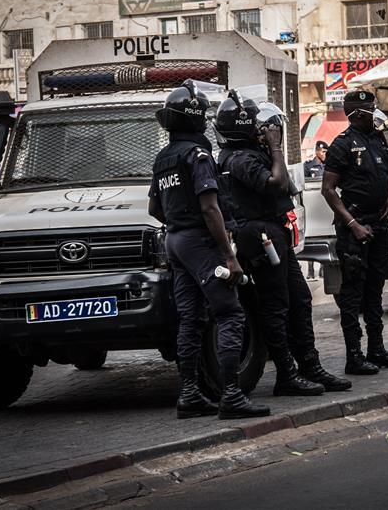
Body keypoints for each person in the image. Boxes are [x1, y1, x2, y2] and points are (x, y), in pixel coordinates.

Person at [148, 80, 269, 420]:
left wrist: (178, 221)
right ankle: (231, 394)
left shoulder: (164, 158)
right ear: (194, 119)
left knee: (190, 318)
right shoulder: (197, 155)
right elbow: (211, 208)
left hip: (175, 242)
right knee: (230, 313)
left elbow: (154, 209)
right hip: (200, 242)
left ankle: (189, 394)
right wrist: (228, 256)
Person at [216, 92, 351, 396]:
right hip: (259, 236)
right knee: (275, 306)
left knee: (300, 299)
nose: (268, 132)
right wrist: (274, 147)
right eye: (263, 128)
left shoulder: (251, 154)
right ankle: (286, 374)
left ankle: (309, 366)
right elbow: (275, 184)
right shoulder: (239, 159)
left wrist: (273, 150)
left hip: (274, 232)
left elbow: (288, 185)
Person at [321, 91, 388, 375]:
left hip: (379, 223)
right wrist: (352, 224)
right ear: (357, 113)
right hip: (355, 228)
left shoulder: (381, 138)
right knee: (352, 293)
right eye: (371, 109)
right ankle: (354, 356)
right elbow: (328, 189)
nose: (376, 113)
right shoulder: (342, 145)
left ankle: (377, 349)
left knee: (375, 289)